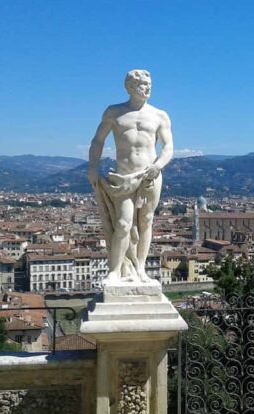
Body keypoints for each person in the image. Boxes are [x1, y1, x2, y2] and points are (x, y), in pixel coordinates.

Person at [87, 69, 173, 284]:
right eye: (143, 85)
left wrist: (158, 166)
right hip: (123, 177)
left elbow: (168, 146)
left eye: (149, 84)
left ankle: (140, 268)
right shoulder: (114, 112)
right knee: (124, 223)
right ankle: (115, 270)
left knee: (146, 221)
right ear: (130, 87)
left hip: (150, 175)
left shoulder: (159, 115)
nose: (148, 88)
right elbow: (98, 141)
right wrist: (93, 167)